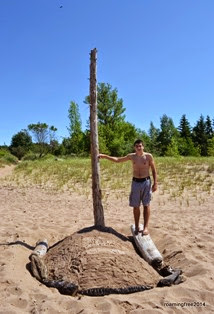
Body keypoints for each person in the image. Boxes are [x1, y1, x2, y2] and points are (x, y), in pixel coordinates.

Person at [98, 139, 157, 235]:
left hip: (146, 182)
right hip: (135, 182)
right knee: (136, 206)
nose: (139, 147)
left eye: (140, 146)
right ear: (135, 147)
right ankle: (137, 226)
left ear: (143, 147)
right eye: (137, 146)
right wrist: (105, 156)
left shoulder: (148, 156)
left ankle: (146, 227)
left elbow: (154, 170)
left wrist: (155, 183)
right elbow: (118, 160)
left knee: (146, 205)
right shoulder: (132, 156)